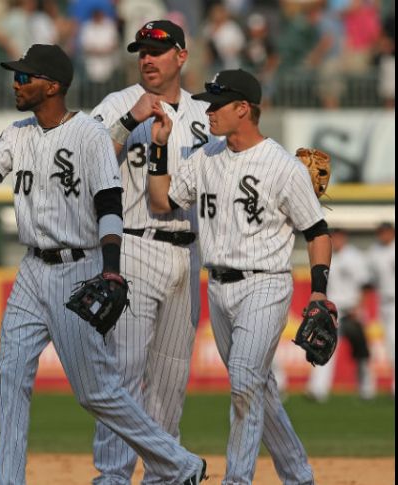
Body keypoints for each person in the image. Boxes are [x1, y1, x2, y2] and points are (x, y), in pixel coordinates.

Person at [0, 44, 208, 485]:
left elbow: (109, 204)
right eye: (16, 76)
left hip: (78, 266)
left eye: (25, 77)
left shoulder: (88, 133)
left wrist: (111, 268)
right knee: (9, 374)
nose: (16, 83)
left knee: (96, 392)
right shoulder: (17, 133)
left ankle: (180, 464)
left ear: (52, 86)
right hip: (32, 269)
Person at [147, 68, 331, 485]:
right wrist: (158, 149)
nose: (209, 111)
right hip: (218, 287)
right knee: (257, 387)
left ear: (243, 109)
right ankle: (299, 475)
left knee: (245, 381)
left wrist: (319, 292)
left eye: (218, 104)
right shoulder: (205, 157)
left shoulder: (282, 166)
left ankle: (237, 480)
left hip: (265, 282)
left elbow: (317, 232)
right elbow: (161, 202)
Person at [88, 19, 215, 484]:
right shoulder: (118, 103)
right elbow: (84, 162)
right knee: (122, 374)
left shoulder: (206, 114)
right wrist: (129, 121)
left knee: (169, 380)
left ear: (181, 56)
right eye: (141, 51)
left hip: (187, 252)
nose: (147, 58)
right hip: (135, 244)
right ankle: (112, 475)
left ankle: (164, 475)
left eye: (157, 50)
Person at [305, 228, 376, 402]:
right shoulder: (326, 256)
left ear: (344, 238)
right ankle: (317, 390)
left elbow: (366, 285)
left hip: (351, 310)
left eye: (338, 237)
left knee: (361, 351)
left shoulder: (355, 257)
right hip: (331, 310)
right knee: (323, 348)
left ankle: (367, 389)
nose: (335, 241)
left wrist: (358, 308)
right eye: (333, 238)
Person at [367, 222, 394, 396]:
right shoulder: (374, 251)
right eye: (381, 232)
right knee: (388, 345)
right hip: (383, 301)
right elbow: (368, 279)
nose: (383, 235)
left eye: (386, 232)